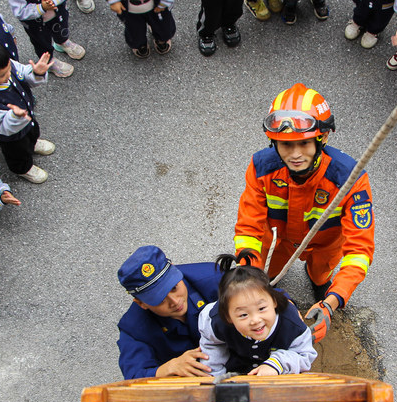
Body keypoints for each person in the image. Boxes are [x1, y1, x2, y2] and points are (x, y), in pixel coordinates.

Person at [234, 83, 375, 342]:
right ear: (274, 142)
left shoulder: (351, 179)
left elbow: (359, 251)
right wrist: (252, 280)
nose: (295, 154)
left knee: (321, 278)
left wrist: (332, 301)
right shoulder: (261, 168)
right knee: (268, 278)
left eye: (304, 143)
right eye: (286, 145)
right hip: (277, 245)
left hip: (325, 246)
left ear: (323, 138)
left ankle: (320, 285)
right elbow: (248, 230)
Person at [199, 254, 316, 378]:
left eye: (262, 308)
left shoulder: (291, 323)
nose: (255, 320)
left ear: (274, 301)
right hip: (235, 370)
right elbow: (212, 344)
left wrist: (277, 363)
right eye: (243, 315)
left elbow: (305, 355)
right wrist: (215, 376)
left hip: (279, 373)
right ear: (228, 317)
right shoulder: (215, 321)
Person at [116, 245, 224, 379]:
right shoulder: (134, 327)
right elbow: (133, 376)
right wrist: (168, 368)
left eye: (174, 287)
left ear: (174, 270)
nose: (174, 301)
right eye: (160, 299)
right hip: (188, 387)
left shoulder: (215, 280)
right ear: (141, 303)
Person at [0, 39, 55, 184]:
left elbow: (23, 73)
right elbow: (3, 127)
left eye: (9, 69)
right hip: (12, 135)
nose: (8, 75)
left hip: (26, 118)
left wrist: (36, 73)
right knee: (17, 152)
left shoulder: (7, 66)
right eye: (2, 75)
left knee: (32, 133)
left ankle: (32, 144)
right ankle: (23, 169)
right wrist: (15, 117)